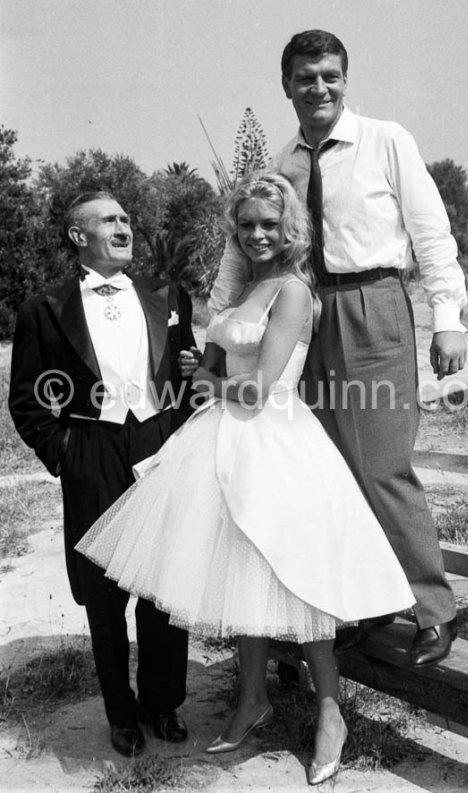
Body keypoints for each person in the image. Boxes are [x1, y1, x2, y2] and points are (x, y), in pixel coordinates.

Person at [75, 172, 415, 786]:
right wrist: (203, 366)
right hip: (224, 437)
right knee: (243, 571)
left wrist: (209, 378)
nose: (258, 235)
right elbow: (210, 361)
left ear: (291, 231)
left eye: (270, 225)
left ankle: (330, 714)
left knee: (296, 576)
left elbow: (258, 387)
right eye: (248, 224)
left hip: (276, 440)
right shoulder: (248, 288)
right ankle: (251, 698)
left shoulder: (291, 290)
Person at [209, 30, 468, 667]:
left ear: (345, 80)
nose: (317, 88)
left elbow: (431, 233)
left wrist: (448, 318)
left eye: (329, 75)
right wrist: (216, 329)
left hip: (373, 305)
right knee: (327, 470)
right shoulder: (283, 160)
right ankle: (364, 606)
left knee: (381, 464)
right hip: (304, 314)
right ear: (287, 85)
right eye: (304, 77)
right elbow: (238, 256)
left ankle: (434, 607)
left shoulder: (386, 140)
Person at [9, 191, 195, 757]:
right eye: (110, 219)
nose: (124, 226)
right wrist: (66, 451)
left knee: (164, 582)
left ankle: (161, 702)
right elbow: (28, 400)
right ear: (77, 235)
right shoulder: (45, 307)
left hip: (160, 440)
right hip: (92, 445)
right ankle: (121, 714)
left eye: (126, 218)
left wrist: (182, 424)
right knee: (104, 587)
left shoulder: (168, 294)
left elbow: (188, 374)